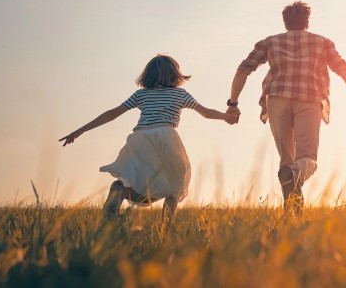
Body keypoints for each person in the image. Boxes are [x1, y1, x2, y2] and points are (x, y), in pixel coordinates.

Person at [226, 1, 346, 213]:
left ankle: (292, 213)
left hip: (277, 99)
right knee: (307, 158)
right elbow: (343, 69)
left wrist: (233, 103)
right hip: (309, 98)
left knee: (287, 160)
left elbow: (243, 70)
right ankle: (294, 198)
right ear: (307, 22)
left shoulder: (269, 42)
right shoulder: (322, 42)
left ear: (285, 22)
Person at [59, 55, 236, 221]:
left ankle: (120, 192)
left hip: (140, 138)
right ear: (175, 74)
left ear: (148, 75)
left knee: (143, 185)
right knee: (176, 182)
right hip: (166, 136)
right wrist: (226, 116)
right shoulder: (180, 94)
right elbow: (205, 113)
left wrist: (80, 130)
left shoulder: (141, 94)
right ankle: (166, 228)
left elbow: (113, 113)